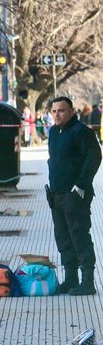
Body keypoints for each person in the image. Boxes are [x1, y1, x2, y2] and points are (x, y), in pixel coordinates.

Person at [46, 96, 102, 295]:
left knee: (79, 236)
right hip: (56, 195)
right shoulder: (53, 132)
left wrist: (80, 186)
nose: (57, 114)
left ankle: (87, 282)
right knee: (63, 239)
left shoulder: (82, 132)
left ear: (71, 112)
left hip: (75, 195)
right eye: (54, 111)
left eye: (61, 110)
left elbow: (95, 157)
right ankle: (71, 279)